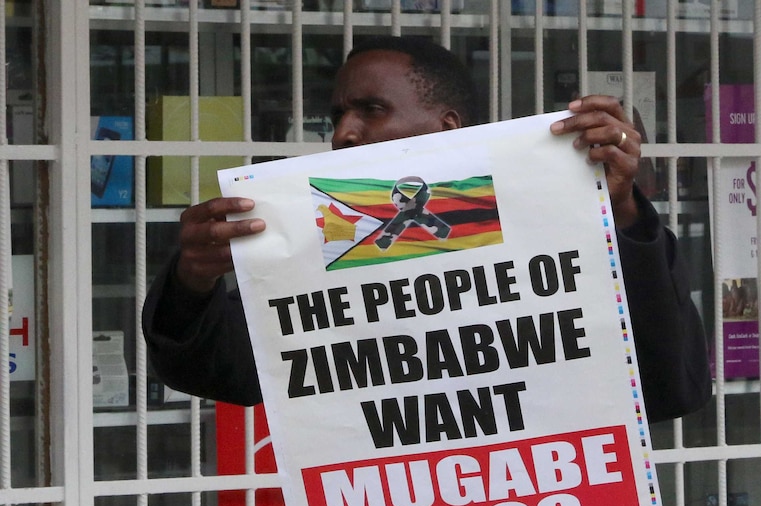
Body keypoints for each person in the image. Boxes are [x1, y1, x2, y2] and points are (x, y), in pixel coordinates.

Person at [142, 35, 712, 422]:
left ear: (446, 126)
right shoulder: (325, 244)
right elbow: (226, 374)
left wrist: (621, 213)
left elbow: (667, 385)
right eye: (339, 114)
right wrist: (192, 282)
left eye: (371, 109)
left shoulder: (547, 232)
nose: (344, 132)